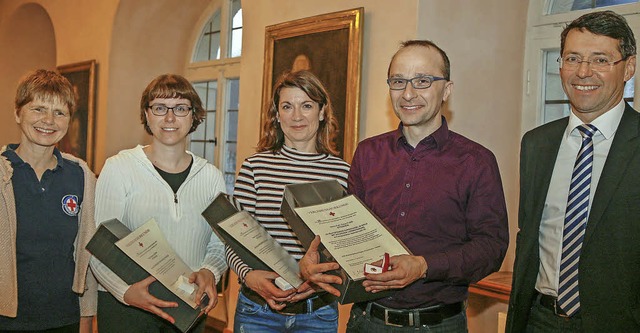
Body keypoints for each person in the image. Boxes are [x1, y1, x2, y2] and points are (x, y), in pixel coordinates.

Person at [300, 40, 509, 332]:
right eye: (398, 81)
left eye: (422, 81)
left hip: (438, 325)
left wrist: (424, 266)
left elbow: (491, 248)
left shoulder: (476, 161)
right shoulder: (367, 153)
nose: (408, 93)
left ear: (446, 90)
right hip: (366, 321)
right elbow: (349, 234)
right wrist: (317, 259)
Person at [506, 10, 639, 333]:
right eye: (572, 58)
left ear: (628, 68)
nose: (583, 72)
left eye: (600, 60)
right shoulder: (537, 144)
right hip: (539, 320)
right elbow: (530, 240)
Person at [89, 74, 228, 332]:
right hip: (127, 309)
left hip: (189, 306)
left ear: (194, 116)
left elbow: (219, 243)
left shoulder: (211, 177)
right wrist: (125, 291)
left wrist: (210, 271)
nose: (170, 118)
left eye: (181, 108)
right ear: (147, 114)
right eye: (160, 108)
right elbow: (99, 245)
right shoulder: (119, 167)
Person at [227, 70, 350, 333]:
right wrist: (249, 276)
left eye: (306, 105)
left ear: (321, 112)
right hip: (257, 312)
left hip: (318, 314)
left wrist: (319, 279)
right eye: (287, 106)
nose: (296, 116)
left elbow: (345, 245)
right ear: (277, 115)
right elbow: (233, 240)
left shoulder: (343, 173)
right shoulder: (254, 168)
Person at [0, 69, 97, 332]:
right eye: (38, 109)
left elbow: (86, 255)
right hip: (7, 320)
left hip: (64, 318)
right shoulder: (2, 175)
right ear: (18, 113)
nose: (48, 120)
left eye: (59, 112)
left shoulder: (81, 176)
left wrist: (87, 316)